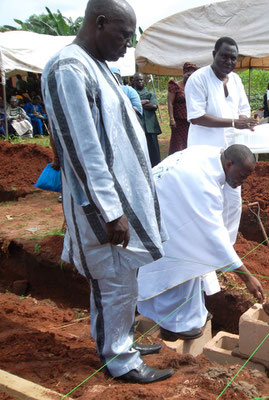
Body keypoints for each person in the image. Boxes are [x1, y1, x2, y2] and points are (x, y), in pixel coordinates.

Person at [41, 0, 173, 384]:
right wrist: (109, 210)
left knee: (123, 276)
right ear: (99, 23)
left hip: (118, 201)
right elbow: (82, 148)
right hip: (101, 206)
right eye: (124, 35)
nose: (128, 46)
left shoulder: (96, 66)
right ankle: (120, 359)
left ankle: (122, 340)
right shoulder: (69, 68)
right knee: (111, 279)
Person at [137, 144, 264, 340]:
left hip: (165, 199)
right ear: (229, 164)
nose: (242, 182)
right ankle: (174, 323)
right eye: (242, 176)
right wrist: (247, 278)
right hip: (159, 206)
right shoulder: (204, 185)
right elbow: (214, 236)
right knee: (181, 260)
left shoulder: (214, 155)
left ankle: (189, 315)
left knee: (192, 253)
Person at [185, 36, 257, 246]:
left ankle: (226, 249)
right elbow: (196, 116)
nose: (229, 61)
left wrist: (247, 121)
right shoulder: (198, 79)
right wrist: (234, 122)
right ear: (214, 54)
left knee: (233, 202)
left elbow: (242, 110)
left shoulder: (236, 80)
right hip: (205, 154)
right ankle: (204, 247)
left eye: (233, 58)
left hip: (232, 155)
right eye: (224, 56)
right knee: (207, 202)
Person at [167, 62, 198, 154]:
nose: (189, 76)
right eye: (188, 74)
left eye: (192, 75)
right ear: (184, 74)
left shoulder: (195, 86)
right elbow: (170, 103)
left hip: (192, 121)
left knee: (190, 143)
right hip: (179, 122)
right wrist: (171, 119)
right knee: (178, 144)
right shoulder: (175, 86)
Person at [132, 72, 162, 166]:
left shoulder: (150, 93)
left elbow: (154, 106)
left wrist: (137, 104)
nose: (139, 82)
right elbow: (127, 105)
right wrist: (144, 102)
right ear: (134, 81)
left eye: (141, 80)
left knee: (154, 152)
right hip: (137, 125)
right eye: (137, 80)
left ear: (144, 80)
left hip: (150, 126)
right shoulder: (131, 93)